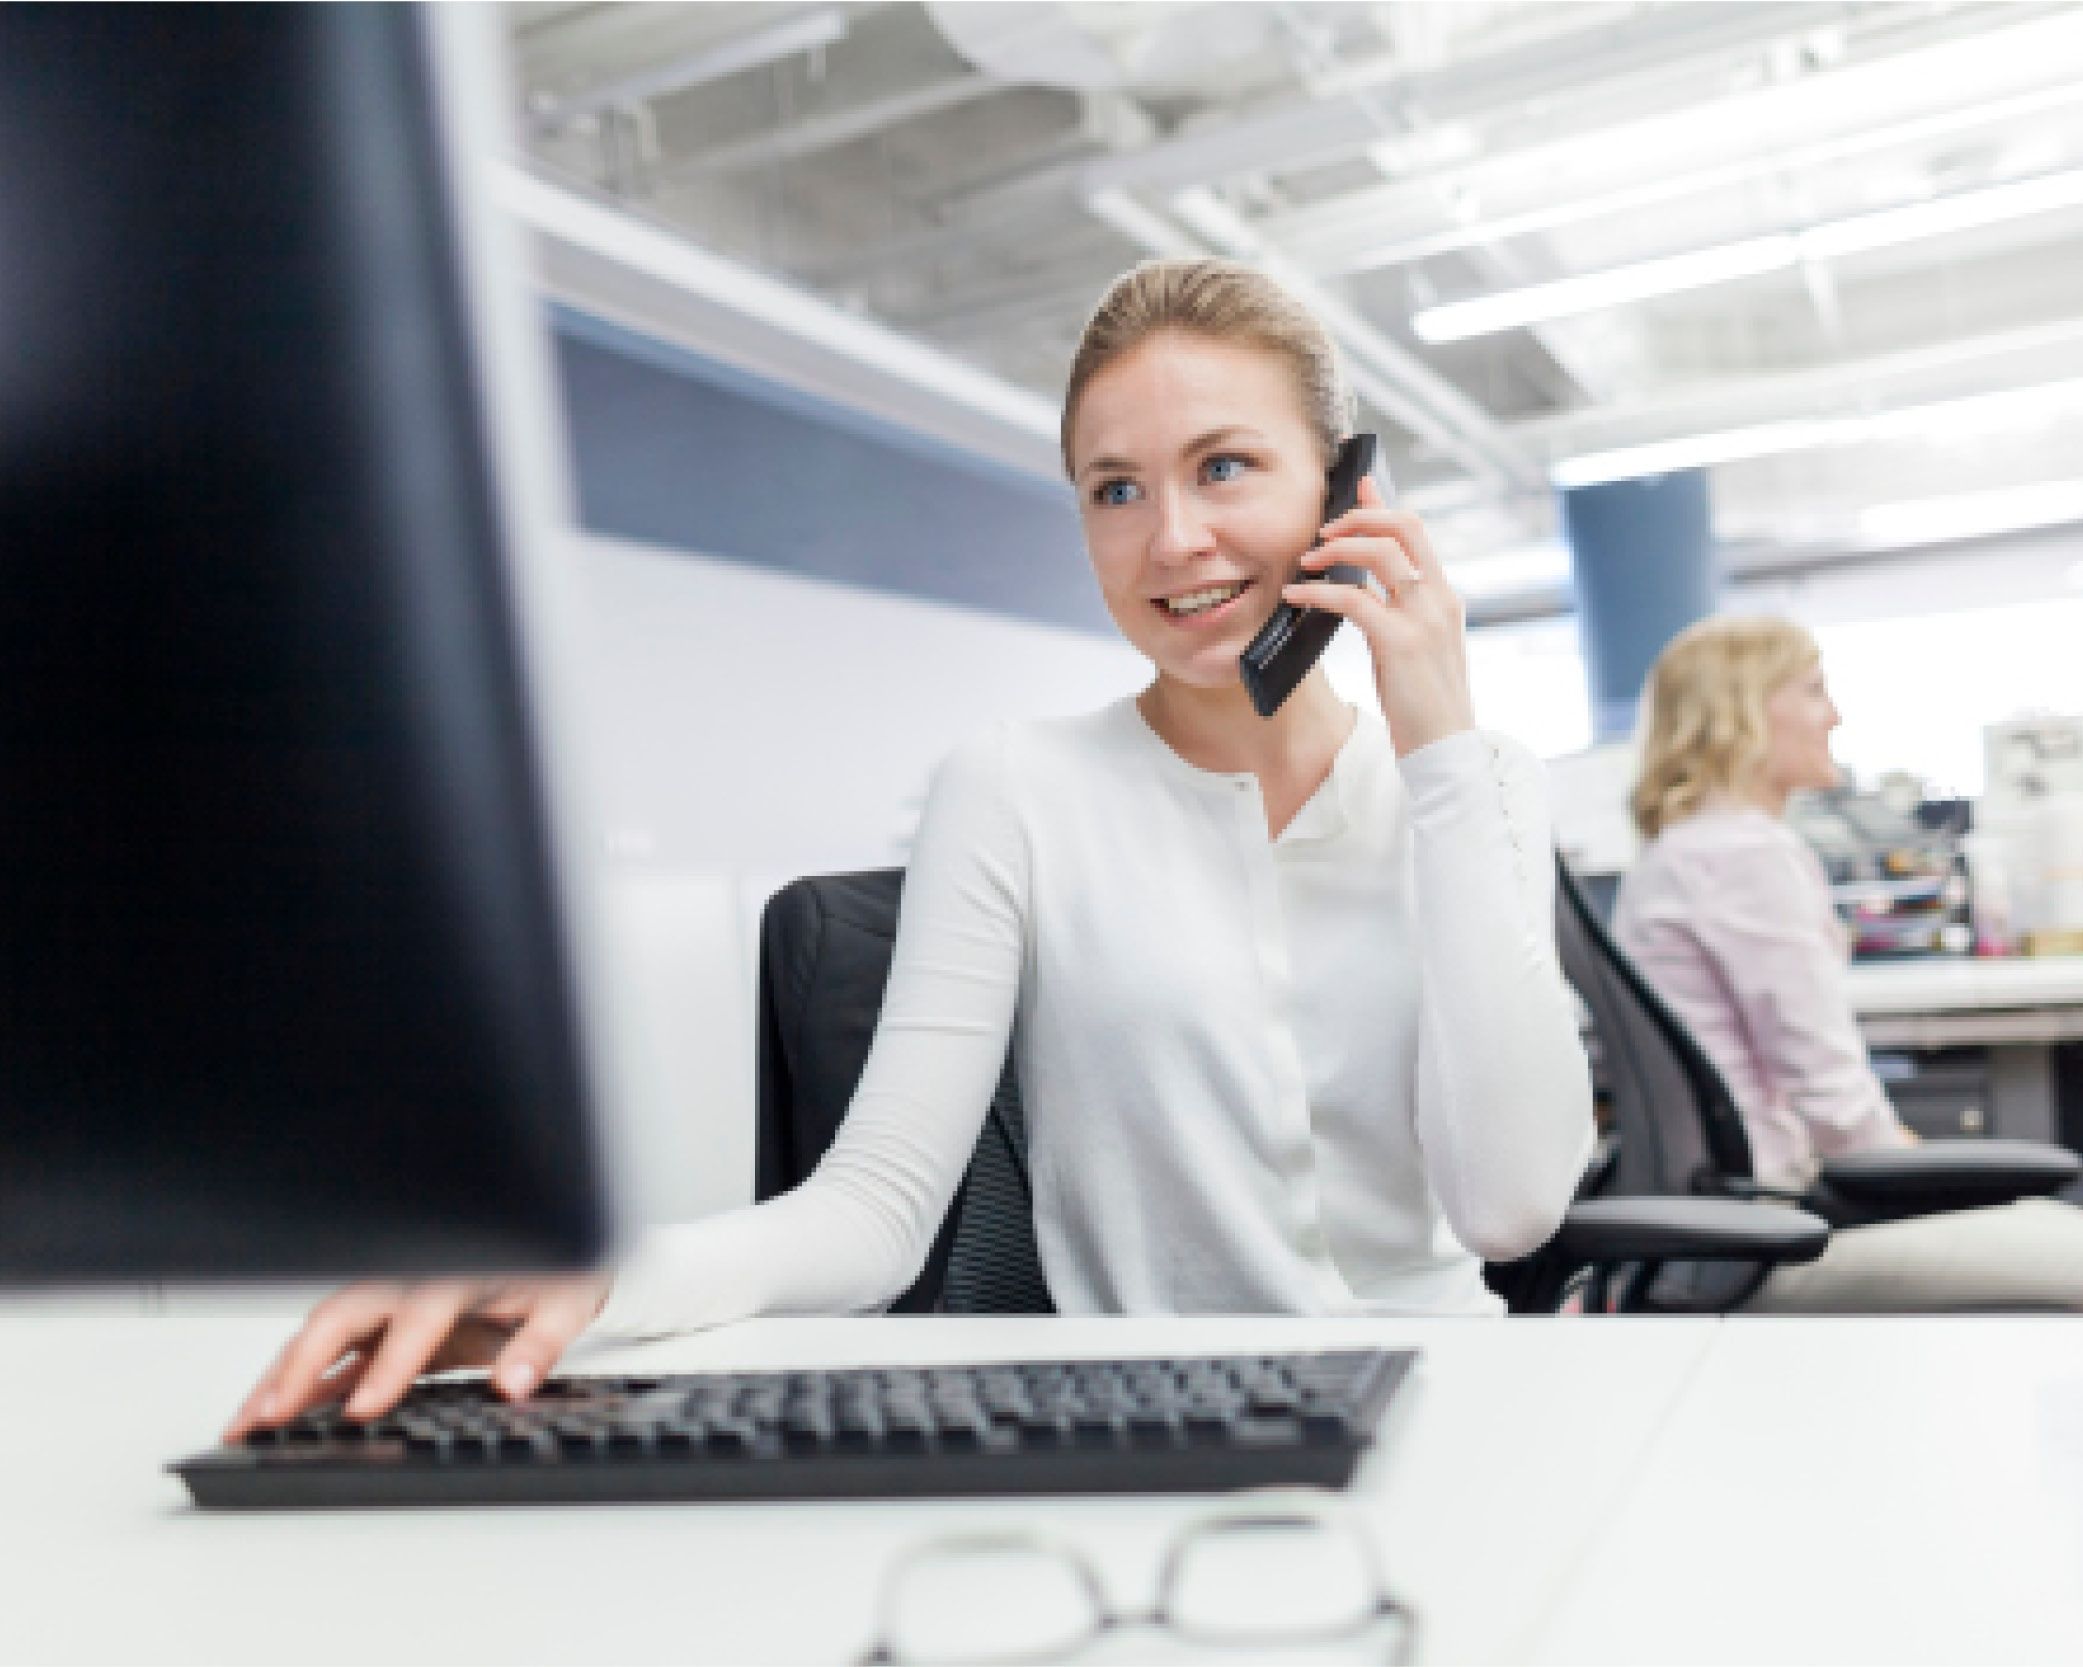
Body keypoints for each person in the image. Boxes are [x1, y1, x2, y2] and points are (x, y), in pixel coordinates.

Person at [227, 258, 1594, 1440]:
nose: (1171, 537)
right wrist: (586, 1274)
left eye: (1222, 466)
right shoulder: (1015, 787)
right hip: (1169, 1426)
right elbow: (872, 1206)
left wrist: (1436, 743)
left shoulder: (1470, 786)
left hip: (1454, 1405)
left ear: (1346, 486)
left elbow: (1511, 1206)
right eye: (1113, 488)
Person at [1613, 614, 2083, 1311]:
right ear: (1738, 710)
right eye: (1811, 690)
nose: (1833, 715)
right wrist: (1933, 1171)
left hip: (1744, 1217)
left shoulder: (1683, 852)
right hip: (1780, 1230)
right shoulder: (1742, 855)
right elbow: (1834, 1102)